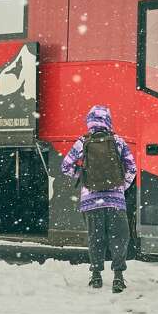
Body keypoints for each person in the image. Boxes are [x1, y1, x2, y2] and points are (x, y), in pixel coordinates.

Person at [60, 105, 137, 293]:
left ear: (90, 122)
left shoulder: (82, 142)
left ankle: (96, 276)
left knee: (96, 238)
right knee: (118, 237)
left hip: (91, 200)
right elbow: (132, 168)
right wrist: (120, 186)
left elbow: (66, 166)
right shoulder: (118, 142)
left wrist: (83, 176)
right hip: (115, 200)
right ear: (108, 121)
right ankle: (118, 277)